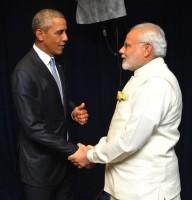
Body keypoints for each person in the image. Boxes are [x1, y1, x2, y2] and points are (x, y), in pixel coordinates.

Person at [68, 22, 182, 200]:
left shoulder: (156, 84)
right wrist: (96, 150)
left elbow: (130, 141)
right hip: (131, 188)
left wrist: (91, 155)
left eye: (127, 45)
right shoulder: (142, 77)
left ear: (146, 49)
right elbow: (123, 131)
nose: (121, 50)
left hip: (146, 191)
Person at [11, 8, 88, 200]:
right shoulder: (24, 72)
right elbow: (32, 127)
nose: (66, 38)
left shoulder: (56, 63)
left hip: (63, 164)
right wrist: (74, 150)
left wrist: (71, 110)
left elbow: (56, 96)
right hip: (40, 170)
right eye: (59, 32)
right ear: (40, 34)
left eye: (66, 31)